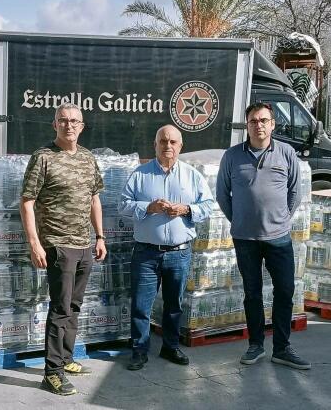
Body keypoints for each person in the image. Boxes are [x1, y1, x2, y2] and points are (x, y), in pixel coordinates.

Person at [20, 102, 107, 396]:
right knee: (60, 308)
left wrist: (100, 236)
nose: (69, 125)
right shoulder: (43, 158)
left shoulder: (87, 158)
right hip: (58, 244)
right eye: (63, 120)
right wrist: (35, 242)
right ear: (54, 124)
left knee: (74, 306)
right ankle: (52, 372)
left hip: (84, 245)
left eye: (74, 121)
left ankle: (66, 359)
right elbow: (27, 201)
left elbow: (95, 199)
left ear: (82, 126)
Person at [216, 102, 310, 370]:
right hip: (245, 239)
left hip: (279, 238)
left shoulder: (286, 153)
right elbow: (223, 195)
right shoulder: (232, 156)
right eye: (253, 121)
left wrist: (280, 219)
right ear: (247, 125)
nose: (258, 125)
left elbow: (295, 191)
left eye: (263, 120)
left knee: (285, 291)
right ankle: (255, 345)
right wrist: (240, 220)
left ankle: (282, 348)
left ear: (272, 124)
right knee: (252, 292)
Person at [119, 125, 213, 370]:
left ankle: (170, 347)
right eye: (163, 141)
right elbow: (123, 205)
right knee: (141, 305)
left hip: (179, 253)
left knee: (174, 305)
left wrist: (186, 209)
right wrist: (149, 207)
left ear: (180, 146)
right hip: (146, 253)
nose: (168, 146)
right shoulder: (140, 175)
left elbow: (208, 205)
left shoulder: (192, 175)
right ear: (155, 145)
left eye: (173, 142)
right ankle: (139, 350)